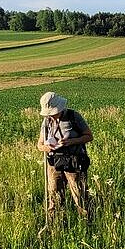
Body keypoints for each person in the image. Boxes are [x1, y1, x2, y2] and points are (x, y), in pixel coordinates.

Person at [36, 91, 93, 222]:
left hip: (74, 161)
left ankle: (87, 222)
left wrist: (71, 142)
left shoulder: (73, 116)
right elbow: (39, 144)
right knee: (54, 195)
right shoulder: (46, 121)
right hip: (54, 163)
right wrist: (47, 147)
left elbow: (89, 136)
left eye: (54, 112)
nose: (52, 115)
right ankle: (54, 224)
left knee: (79, 194)